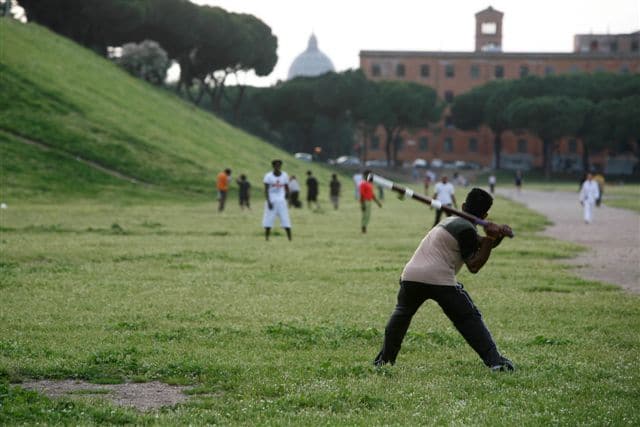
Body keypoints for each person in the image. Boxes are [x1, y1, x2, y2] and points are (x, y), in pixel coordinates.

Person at [373, 188, 515, 372]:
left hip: (411, 276)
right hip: (439, 279)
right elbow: (474, 265)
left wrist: (498, 236)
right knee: (468, 318)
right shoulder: (466, 229)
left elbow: (480, 243)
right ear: (485, 214)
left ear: (463, 206)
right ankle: (495, 361)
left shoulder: (452, 221)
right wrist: (490, 237)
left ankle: (384, 362)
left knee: (401, 315)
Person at [263, 160, 292, 241]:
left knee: (285, 218)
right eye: (276, 165)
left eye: (279, 165)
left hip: (281, 200)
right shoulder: (268, 176)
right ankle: (267, 237)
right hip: (271, 200)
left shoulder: (284, 175)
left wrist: (288, 199)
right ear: (273, 166)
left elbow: (287, 188)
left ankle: (289, 238)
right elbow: (266, 190)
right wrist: (268, 201)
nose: (278, 167)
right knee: (268, 219)